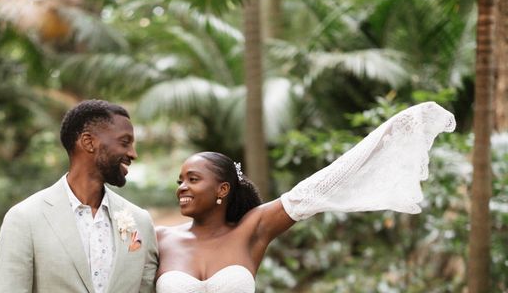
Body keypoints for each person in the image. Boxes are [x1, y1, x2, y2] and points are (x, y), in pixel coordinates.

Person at [155, 101, 456, 293]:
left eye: (193, 180)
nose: (182, 187)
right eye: (180, 180)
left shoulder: (252, 229)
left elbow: (318, 188)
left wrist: (391, 132)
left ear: (223, 189)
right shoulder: (158, 237)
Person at [0, 99, 158, 293]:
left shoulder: (140, 221)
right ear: (88, 142)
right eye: (124, 142)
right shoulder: (24, 218)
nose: (133, 153)